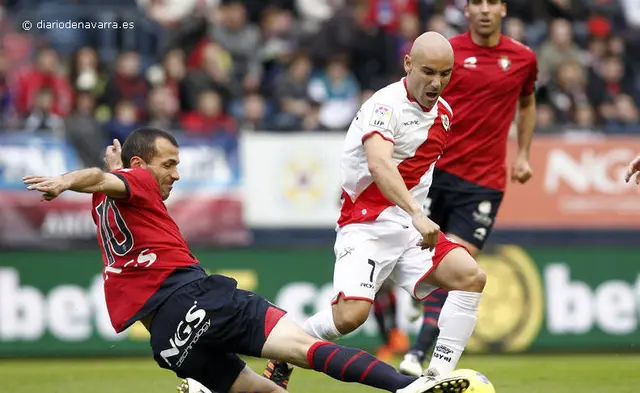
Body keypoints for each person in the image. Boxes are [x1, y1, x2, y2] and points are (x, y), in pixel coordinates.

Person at [23, 127, 471, 393]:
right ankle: (411, 388)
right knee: (305, 350)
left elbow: (104, 182)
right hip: (197, 298)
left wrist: (105, 170)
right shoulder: (133, 179)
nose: (175, 175)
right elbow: (103, 176)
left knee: (267, 391)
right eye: (168, 165)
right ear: (141, 165)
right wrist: (65, 179)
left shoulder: (103, 204)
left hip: (166, 337)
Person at [260, 31, 486, 390]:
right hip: (365, 225)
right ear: (408, 63)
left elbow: (420, 172)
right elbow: (380, 165)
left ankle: (436, 377)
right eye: (428, 71)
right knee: (349, 318)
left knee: (471, 277)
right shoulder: (385, 106)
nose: (436, 82)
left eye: (445, 74)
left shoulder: (444, 115)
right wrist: (417, 212)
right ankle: (282, 353)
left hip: (408, 229)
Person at [398, 0, 538, 376]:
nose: (485, 9)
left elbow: (527, 103)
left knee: (456, 264)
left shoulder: (523, 58)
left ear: (504, 9)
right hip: (435, 174)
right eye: (477, 2)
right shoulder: (447, 53)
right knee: (428, 264)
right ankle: (418, 293)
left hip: (482, 184)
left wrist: (522, 154)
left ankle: (418, 356)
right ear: (467, 9)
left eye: (492, 1)